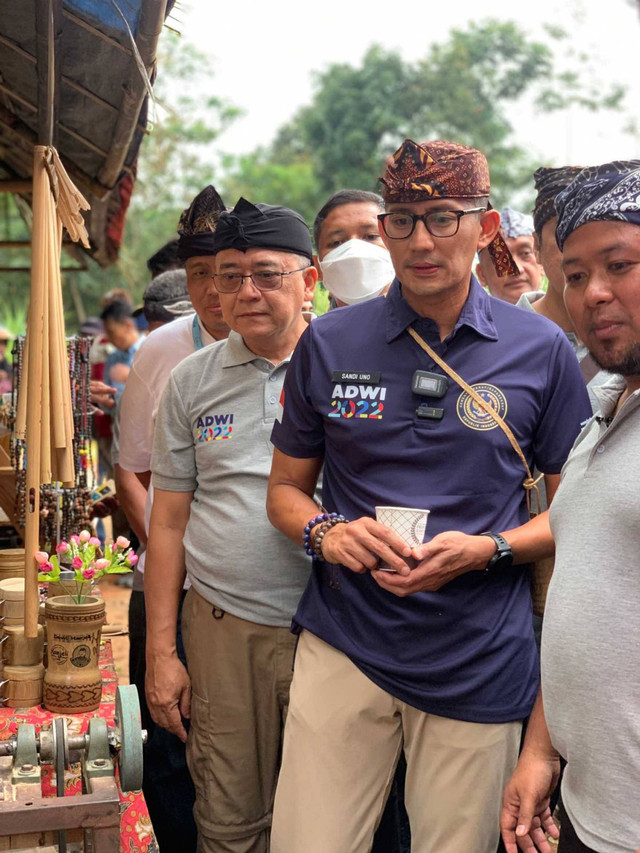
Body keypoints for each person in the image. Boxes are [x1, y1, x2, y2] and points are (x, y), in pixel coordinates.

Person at [266, 138, 591, 853]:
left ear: (487, 225)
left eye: (444, 217)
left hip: (477, 651)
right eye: (404, 220)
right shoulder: (330, 342)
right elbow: (286, 492)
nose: (422, 240)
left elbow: (578, 519)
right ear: (384, 231)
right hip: (345, 636)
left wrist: (489, 548)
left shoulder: (540, 350)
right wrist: (329, 533)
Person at [145, 197, 318, 852]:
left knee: (330, 815)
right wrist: (161, 655)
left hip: (335, 626)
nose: (245, 291)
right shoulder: (191, 381)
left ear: (311, 278)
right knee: (229, 817)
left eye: (266, 273)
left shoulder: (348, 369)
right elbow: (167, 522)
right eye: (228, 274)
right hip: (224, 632)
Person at [501, 159, 640, 853]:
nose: (594, 293)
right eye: (576, 275)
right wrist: (542, 750)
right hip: (592, 810)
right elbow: (586, 596)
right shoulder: (601, 419)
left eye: (619, 264)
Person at [118, 187, 229, 853]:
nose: (216, 289)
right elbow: (130, 468)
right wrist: (164, 546)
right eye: (200, 274)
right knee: (167, 742)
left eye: (227, 269)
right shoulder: (159, 351)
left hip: (246, 593)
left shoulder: (288, 344)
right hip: (164, 584)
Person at [516, 166, 609, 411]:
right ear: (537, 246)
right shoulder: (498, 339)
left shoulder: (628, 340)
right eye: (564, 232)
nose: (579, 249)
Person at [476, 206, 544, 304]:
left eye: (525, 253)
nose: (517, 270)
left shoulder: (567, 315)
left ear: (542, 263)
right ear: (481, 275)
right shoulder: (471, 319)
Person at [100, 300, 143, 400]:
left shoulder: (149, 350)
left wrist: (130, 377)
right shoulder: (113, 358)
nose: (109, 338)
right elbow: (107, 399)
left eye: (111, 332)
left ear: (128, 326)